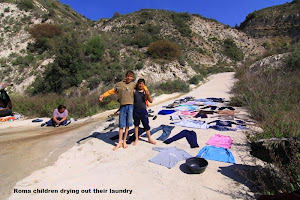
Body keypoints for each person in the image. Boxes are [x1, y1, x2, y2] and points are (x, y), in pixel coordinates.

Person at [99, 70, 136, 151]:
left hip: (130, 106)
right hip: (122, 106)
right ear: (126, 76)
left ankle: (124, 141)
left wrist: (147, 99)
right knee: (121, 125)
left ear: (132, 78)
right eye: (128, 76)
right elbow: (111, 91)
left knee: (127, 125)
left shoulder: (134, 85)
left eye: (131, 76)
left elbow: (142, 89)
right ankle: (119, 142)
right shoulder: (119, 84)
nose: (129, 78)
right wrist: (103, 95)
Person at [133, 79, 156, 146]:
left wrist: (148, 95)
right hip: (135, 111)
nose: (141, 85)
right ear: (137, 84)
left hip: (143, 111)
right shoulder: (134, 91)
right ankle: (136, 139)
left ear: (144, 85)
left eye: (142, 84)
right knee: (136, 125)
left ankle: (149, 138)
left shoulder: (145, 92)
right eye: (139, 83)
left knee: (146, 124)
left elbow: (151, 101)